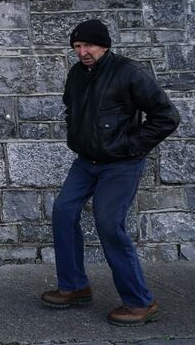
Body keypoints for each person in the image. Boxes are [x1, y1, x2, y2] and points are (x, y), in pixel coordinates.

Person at [40, 19, 180, 326]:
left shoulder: (129, 72)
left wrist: (131, 145)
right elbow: (71, 107)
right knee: (63, 212)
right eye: (77, 47)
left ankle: (141, 302)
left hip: (121, 164)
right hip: (86, 162)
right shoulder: (77, 74)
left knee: (108, 224)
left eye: (88, 45)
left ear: (104, 45)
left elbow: (167, 116)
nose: (82, 52)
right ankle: (74, 286)